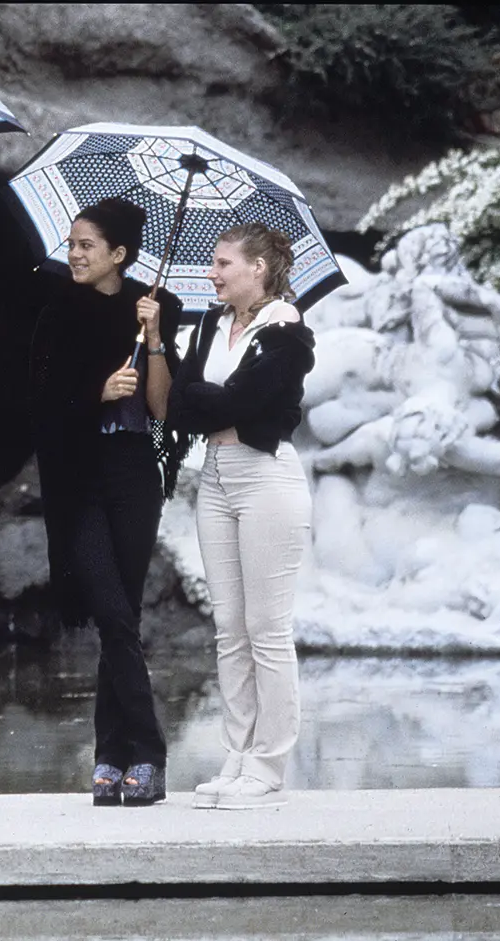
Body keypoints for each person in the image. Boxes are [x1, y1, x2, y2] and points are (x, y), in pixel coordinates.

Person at [28, 199, 185, 807]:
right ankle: (149, 752)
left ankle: (112, 758)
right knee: (113, 613)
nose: (74, 254)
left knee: (125, 614)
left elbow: (162, 408)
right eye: (72, 243)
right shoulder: (56, 312)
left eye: (86, 245)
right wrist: (96, 391)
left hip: (133, 474)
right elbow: (37, 405)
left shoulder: (155, 305)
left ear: (119, 254)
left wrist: (153, 338)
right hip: (78, 477)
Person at [167, 223, 316, 810]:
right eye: (213, 263)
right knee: (229, 628)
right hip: (215, 476)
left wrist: (212, 401)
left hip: (267, 479)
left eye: (223, 263)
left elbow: (242, 402)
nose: (213, 274)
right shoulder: (209, 325)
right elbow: (180, 407)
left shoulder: (286, 329)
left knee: (267, 630)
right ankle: (238, 754)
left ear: (258, 268)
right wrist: (212, 401)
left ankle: (268, 766)